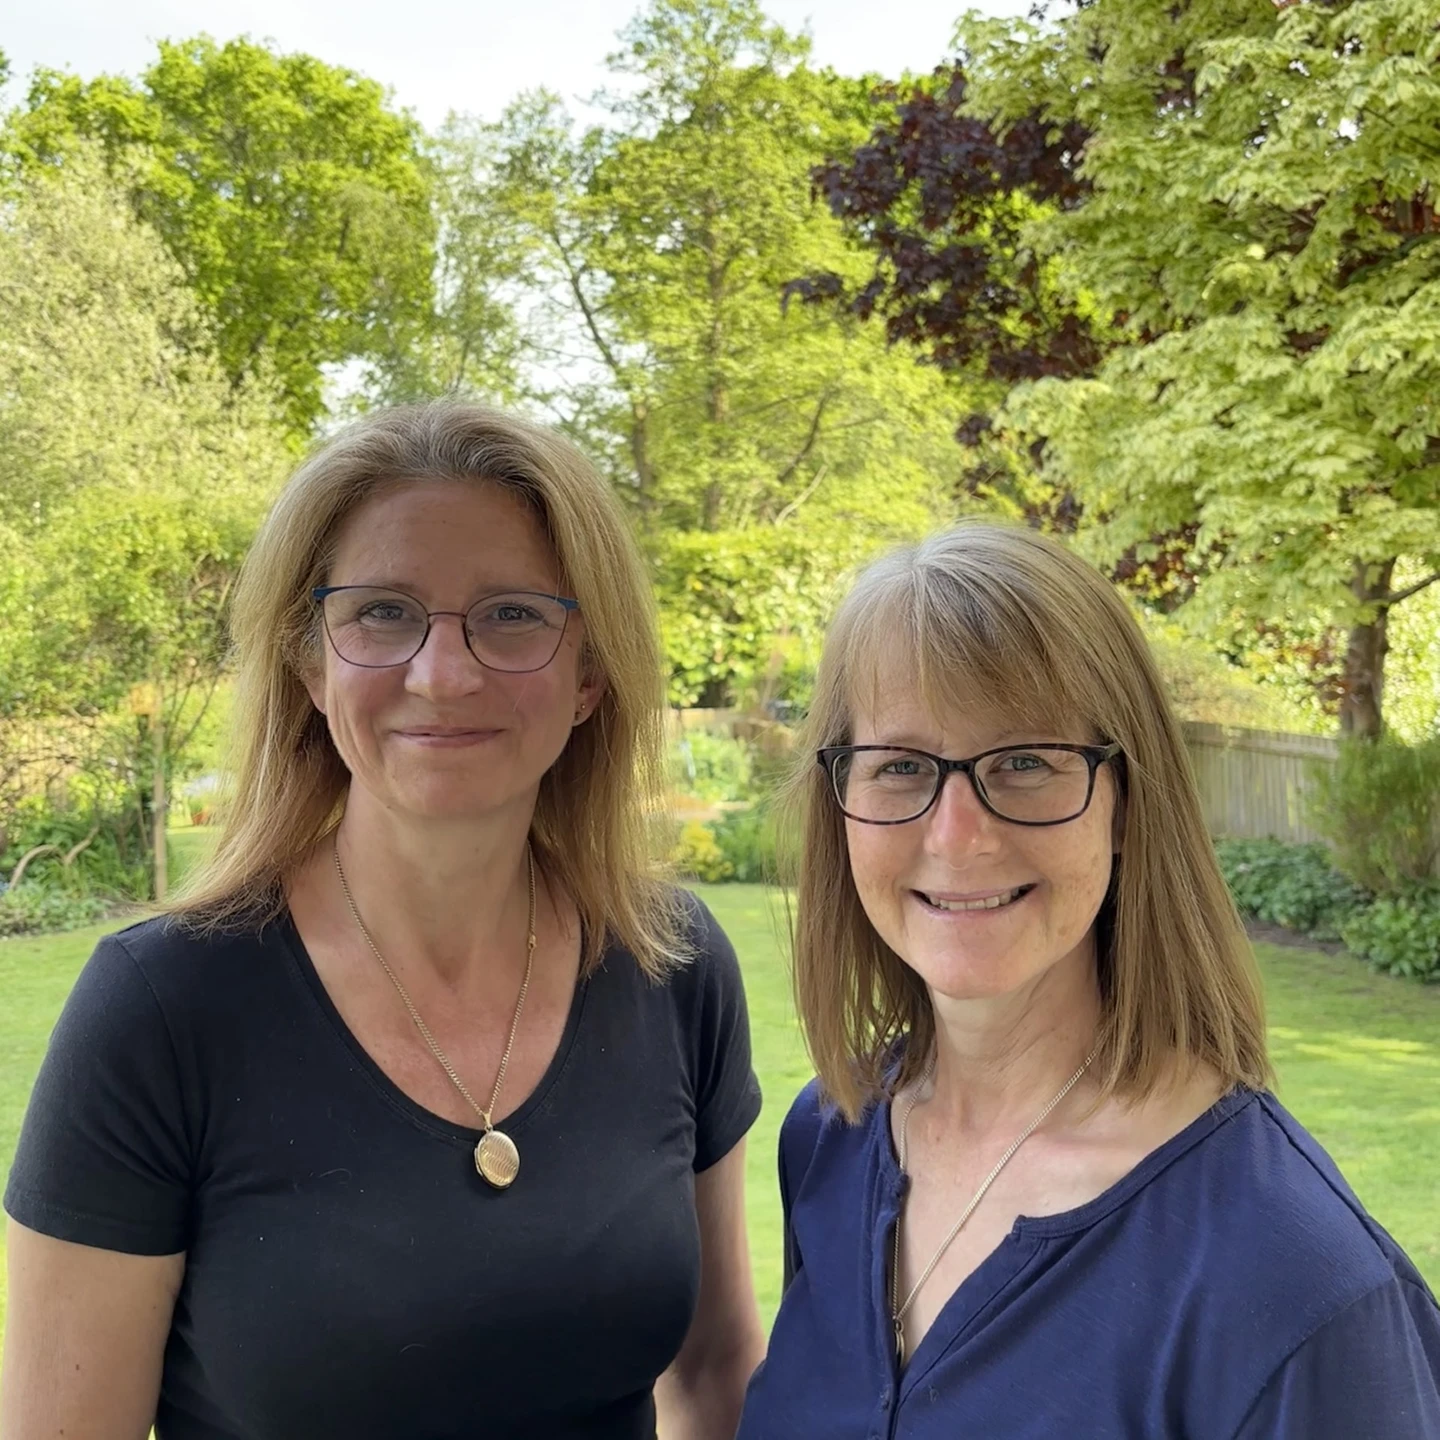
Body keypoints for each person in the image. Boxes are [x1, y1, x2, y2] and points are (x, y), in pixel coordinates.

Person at [3, 401, 764, 1440]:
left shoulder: (671, 964)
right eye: (382, 613)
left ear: (590, 673)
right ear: (310, 663)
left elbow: (716, 1371)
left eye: (511, 614)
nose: (442, 674)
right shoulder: (164, 1009)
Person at [738, 522, 1440, 1439]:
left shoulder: (1298, 1285)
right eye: (900, 766)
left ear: (1125, 803)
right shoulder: (830, 1145)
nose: (957, 836)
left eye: (1025, 761)